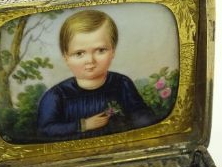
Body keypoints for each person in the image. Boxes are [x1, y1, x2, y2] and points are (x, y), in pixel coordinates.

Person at [37, 10, 156, 140]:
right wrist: (83, 125)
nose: (90, 61)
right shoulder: (56, 96)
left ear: (113, 52)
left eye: (100, 50)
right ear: (66, 57)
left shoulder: (122, 84)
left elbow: (140, 114)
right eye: (79, 53)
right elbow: (45, 130)